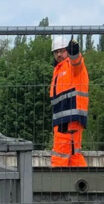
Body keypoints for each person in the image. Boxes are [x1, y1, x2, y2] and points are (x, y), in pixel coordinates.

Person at [50, 35, 88, 167]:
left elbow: (77, 62)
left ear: (67, 50)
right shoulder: (58, 70)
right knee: (73, 154)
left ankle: (57, 184)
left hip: (68, 118)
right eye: (56, 52)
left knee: (60, 154)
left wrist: (74, 53)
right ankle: (82, 182)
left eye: (62, 50)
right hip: (67, 118)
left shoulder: (70, 65)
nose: (59, 54)